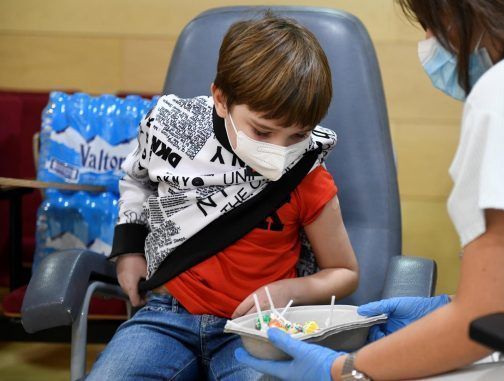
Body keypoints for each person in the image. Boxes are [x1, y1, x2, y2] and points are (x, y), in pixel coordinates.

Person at [235, 0, 504, 379]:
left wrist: (345, 370)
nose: (429, 41)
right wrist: (445, 306)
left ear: (460, 14)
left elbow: (485, 318)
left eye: (429, 23)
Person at [87, 13, 359, 380]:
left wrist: (286, 291)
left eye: (297, 136)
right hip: (168, 313)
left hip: (257, 330)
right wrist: (131, 251)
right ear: (221, 99)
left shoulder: (308, 175)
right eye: (262, 132)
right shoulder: (174, 134)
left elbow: (343, 272)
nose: (279, 152)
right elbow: (138, 181)